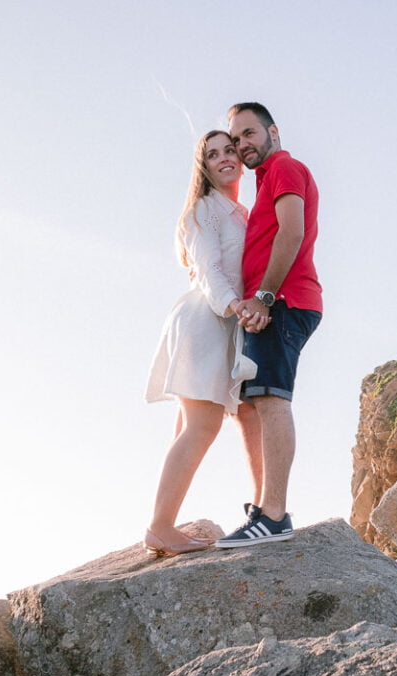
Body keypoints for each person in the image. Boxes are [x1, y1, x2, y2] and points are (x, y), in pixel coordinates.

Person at [214, 102, 322, 548]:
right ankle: (265, 506)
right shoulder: (264, 181)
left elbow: (291, 233)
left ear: (272, 131)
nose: (242, 145)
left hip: (284, 301)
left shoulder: (284, 167)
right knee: (254, 403)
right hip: (273, 303)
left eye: (248, 134)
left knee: (272, 399)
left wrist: (263, 297)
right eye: (236, 139)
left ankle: (274, 514)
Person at [143, 130, 256, 556]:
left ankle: (164, 523)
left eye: (230, 150)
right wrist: (238, 306)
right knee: (201, 427)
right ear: (203, 166)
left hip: (217, 322)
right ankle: (159, 527)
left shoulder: (238, 211)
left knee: (188, 429)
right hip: (206, 319)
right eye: (213, 154)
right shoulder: (205, 210)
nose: (225, 158)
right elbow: (209, 270)